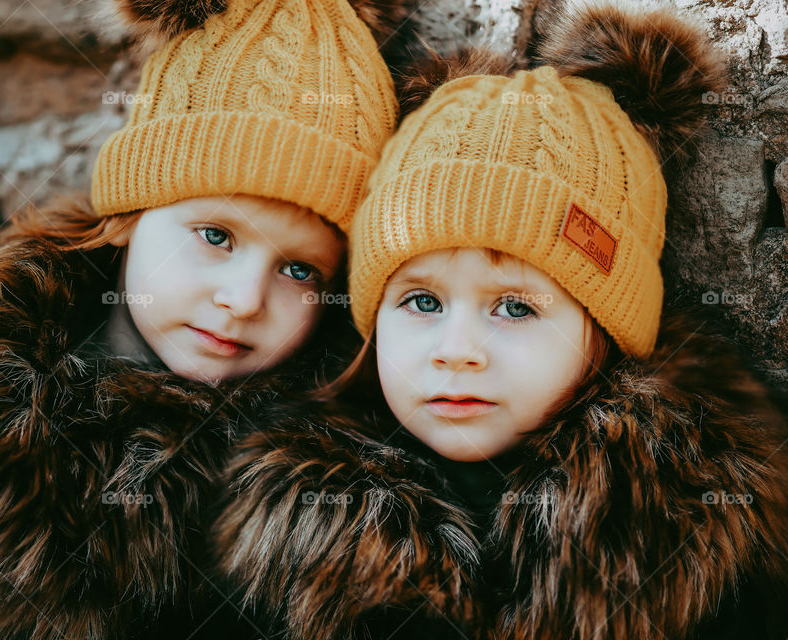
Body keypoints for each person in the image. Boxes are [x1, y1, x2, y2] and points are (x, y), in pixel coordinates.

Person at [0, 0, 411, 638]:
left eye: (301, 271)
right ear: (129, 216)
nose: (245, 299)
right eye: (215, 235)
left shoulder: (308, 490)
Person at [211, 4, 788, 639]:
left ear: (608, 330)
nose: (457, 351)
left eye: (515, 307)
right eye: (422, 303)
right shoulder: (288, 534)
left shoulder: (702, 543)